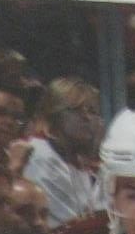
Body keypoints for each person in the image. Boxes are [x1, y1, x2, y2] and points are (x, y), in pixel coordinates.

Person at [21, 77, 105, 226]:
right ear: (55, 115)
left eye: (92, 111)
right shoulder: (38, 154)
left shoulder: (76, 160)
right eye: (76, 110)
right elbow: (69, 228)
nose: (87, 117)